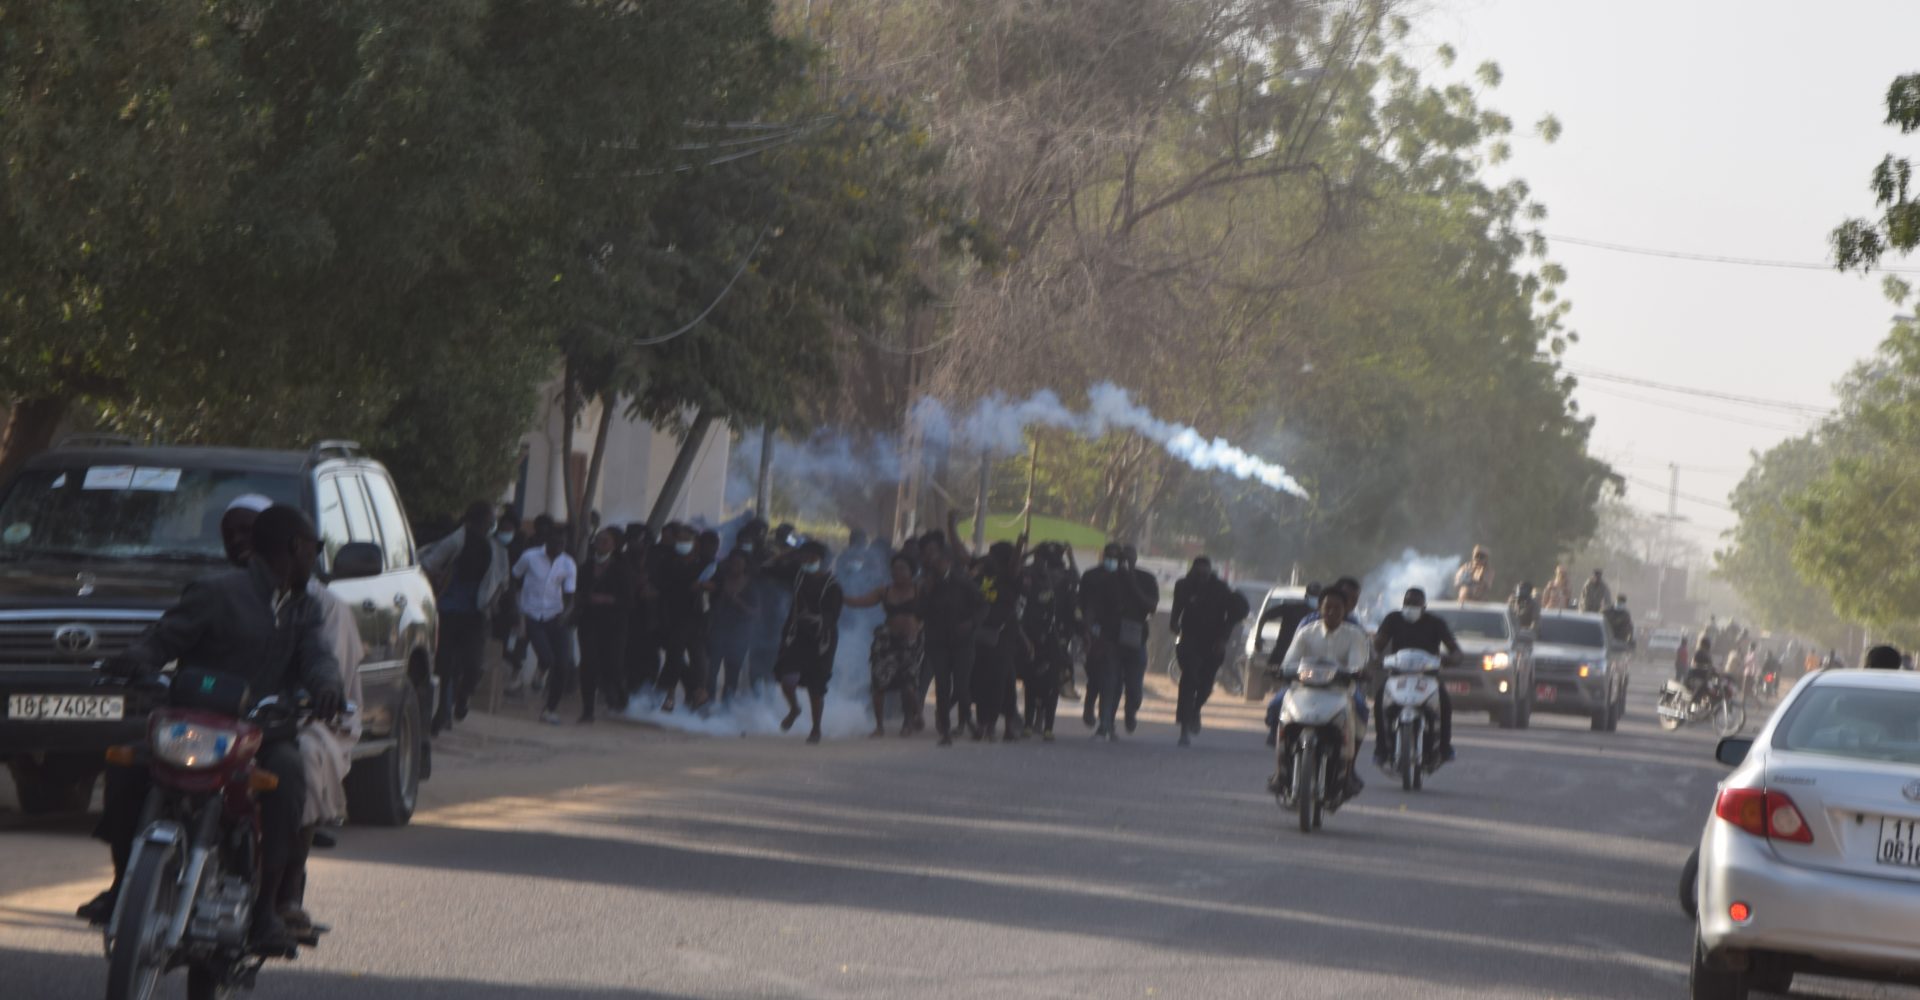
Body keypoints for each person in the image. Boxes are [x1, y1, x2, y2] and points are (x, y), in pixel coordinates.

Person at [83, 506, 342, 952]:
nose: (316, 560)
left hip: (261, 736)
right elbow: (165, 636)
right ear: (295, 548)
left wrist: (328, 687)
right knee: (127, 763)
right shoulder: (217, 592)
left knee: (287, 775)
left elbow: (317, 658)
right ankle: (121, 887)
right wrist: (136, 657)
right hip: (191, 727)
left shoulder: (306, 608)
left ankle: (266, 910)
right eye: (314, 549)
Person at [1268, 586, 1370, 798]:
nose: (1332, 612)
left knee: (1360, 709)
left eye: (1337, 608)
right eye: (1328, 607)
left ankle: (1348, 770)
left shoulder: (1354, 635)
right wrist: (1282, 671)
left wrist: (1354, 673)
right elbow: (1290, 662)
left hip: (1339, 692)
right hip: (1303, 690)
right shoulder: (1306, 633)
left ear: (1345, 611)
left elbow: (1356, 665)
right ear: (1320, 609)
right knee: (1277, 705)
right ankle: (1280, 770)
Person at [419, 502, 511, 732]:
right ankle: (440, 715)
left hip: (477, 614)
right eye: (489, 520)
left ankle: (463, 697)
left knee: (474, 666)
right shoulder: (455, 541)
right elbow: (428, 564)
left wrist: (495, 601)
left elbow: (503, 581)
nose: (492, 524)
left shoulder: (497, 549)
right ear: (476, 520)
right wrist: (439, 579)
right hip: (448, 612)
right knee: (444, 668)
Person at [1370, 588, 1461, 766]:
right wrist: (1374, 658)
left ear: (1424, 606)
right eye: (1407, 603)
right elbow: (1377, 645)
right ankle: (1381, 748)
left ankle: (1444, 746)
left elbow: (1454, 650)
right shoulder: (1393, 619)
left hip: (1427, 677)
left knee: (1445, 703)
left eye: (1415, 604)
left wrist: (1451, 659)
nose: (1410, 607)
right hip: (1398, 675)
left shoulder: (1436, 622)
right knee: (1380, 701)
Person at [1079, 542, 1159, 741]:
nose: (1125, 562)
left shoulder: (1146, 579)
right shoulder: (1107, 581)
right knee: (1109, 683)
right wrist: (1087, 628)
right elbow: (1092, 607)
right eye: (1123, 559)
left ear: (1135, 560)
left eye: (1129, 559)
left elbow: (1151, 606)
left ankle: (1131, 710)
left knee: (1134, 688)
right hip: (1110, 638)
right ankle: (1105, 724)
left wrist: (1133, 584)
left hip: (1135, 639)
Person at [1169, 557, 1250, 746]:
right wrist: (1174, 623)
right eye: (1198, 572)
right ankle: (1184, 727)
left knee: (1206, 685)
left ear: (1210, 572)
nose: (1201, 576)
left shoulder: (1221, 589)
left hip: (1213, 644)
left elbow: (1233, 615)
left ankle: (1196, 710)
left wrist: (1223, 639)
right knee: (1189, 680)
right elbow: (1176, 609)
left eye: (1205, 573)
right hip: (1189, 640)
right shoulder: (1183, 585)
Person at [846, 553, 926, 737]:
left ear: (911, 571)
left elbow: (932, 610)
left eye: (902, 568)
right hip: (887, 641)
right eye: (894, 568)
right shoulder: (884, 591)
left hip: (911, 643)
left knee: (908, 685)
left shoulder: (919, 590)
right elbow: (861, 602)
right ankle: (879, 725)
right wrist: (840, 597)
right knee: (879, 684)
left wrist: (920, 626)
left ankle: (914, 716)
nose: (897, 572)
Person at [770, 541, 842, 743]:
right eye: (804, 558)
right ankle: (794, 708)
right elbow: (767, 568)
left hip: (822, 640)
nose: (806, 562)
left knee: (816, 686)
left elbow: (832, 616)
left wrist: (816, 620)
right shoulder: (797, 576)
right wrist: (786, 554)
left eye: (812, 559)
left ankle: (816, 728)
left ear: (822, 561)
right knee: (786, 678)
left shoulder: (833, 586)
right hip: (797, 636)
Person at [920, 533, 983, 746]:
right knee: (942, 687)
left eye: (938, 560)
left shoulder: (962, 581)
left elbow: (983, 606)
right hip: (938, 643)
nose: (935, 565)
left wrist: (971, 623)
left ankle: (968, 720)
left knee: (962, 687)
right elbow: (919, 612)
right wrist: (926, 593)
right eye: (931, 561)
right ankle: (946, 730)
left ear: (947, 561)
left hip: (962, 642)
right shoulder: (928, 583)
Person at [513, 524, 578, 725]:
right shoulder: (530, 557)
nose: (559, 546)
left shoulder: (568, 564)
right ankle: (541, 672)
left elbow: (570, 596)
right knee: (546, 656)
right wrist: (518, 612)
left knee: (564, 663)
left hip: (555, 615)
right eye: (556, 542)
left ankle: (550, 709)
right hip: (531, 614)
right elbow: (514, 580)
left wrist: (566, 614)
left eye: (563, 543)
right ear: (547, 541)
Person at [967, 541, 1027, 742]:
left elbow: (1015, 566)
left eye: (993, 554)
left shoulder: (1011, 578)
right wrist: (951, 527)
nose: (988, 557)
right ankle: (1001, 723)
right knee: (983, 680)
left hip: (1003, 638)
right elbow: (963, 557)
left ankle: (990, 725)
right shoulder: (983, 573)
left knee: (997, 682)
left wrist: (1019, 546)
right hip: (981, 635)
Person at [1019, 543, 1079, 742]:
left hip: (1057, 638)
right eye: (1048, 566)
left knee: (1052, 682)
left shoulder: (1066, 581)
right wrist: (1029, 551)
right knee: (1032, 679)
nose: (1054, 573)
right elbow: (1017, 567)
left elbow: (1076, 578)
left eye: (1057, 568)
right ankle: (1030, 721)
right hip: (1033, 637)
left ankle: (1045, 724)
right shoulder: (1032, 579)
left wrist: (1071, 556)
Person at [575, 526, 634, 722]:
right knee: (588, 665)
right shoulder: (585, 568)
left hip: (614, 626)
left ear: (615, 545)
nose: (600, 544)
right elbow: (578, 593)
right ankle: (588, 710)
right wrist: (587, 599)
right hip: (589, 622)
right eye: (598, 540)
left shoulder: (622, 570)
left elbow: (628, 600)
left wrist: (608, 600)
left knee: (614, 666)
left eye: (605, 541)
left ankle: (622, 699)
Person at [704, 552, 760, 704]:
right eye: (733, 562)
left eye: (739, 563)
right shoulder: (720, 580)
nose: (735, 566)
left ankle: (725, 708)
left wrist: (738, 602)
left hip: (739, 635)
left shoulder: (751, 585)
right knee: (710, 671)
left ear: (745, 566)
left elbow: (755, 612)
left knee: (732, 674)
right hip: (717, 631)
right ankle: (707, 703)